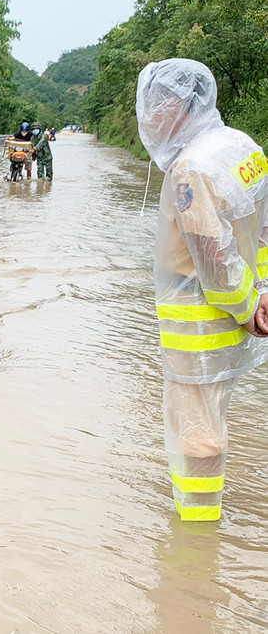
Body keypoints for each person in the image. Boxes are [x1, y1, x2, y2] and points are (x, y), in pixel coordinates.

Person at [136, 58, 268, 522]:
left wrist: (246, 303)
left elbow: (214, 257)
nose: (148, 116)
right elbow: (263, 227)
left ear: (175, 104)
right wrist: (262, 291)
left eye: (154, 104)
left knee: (198, 428)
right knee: (215, 411)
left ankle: (196, 538)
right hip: (239, 312)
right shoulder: (240, 146)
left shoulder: (191, 168)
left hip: (201, 318)